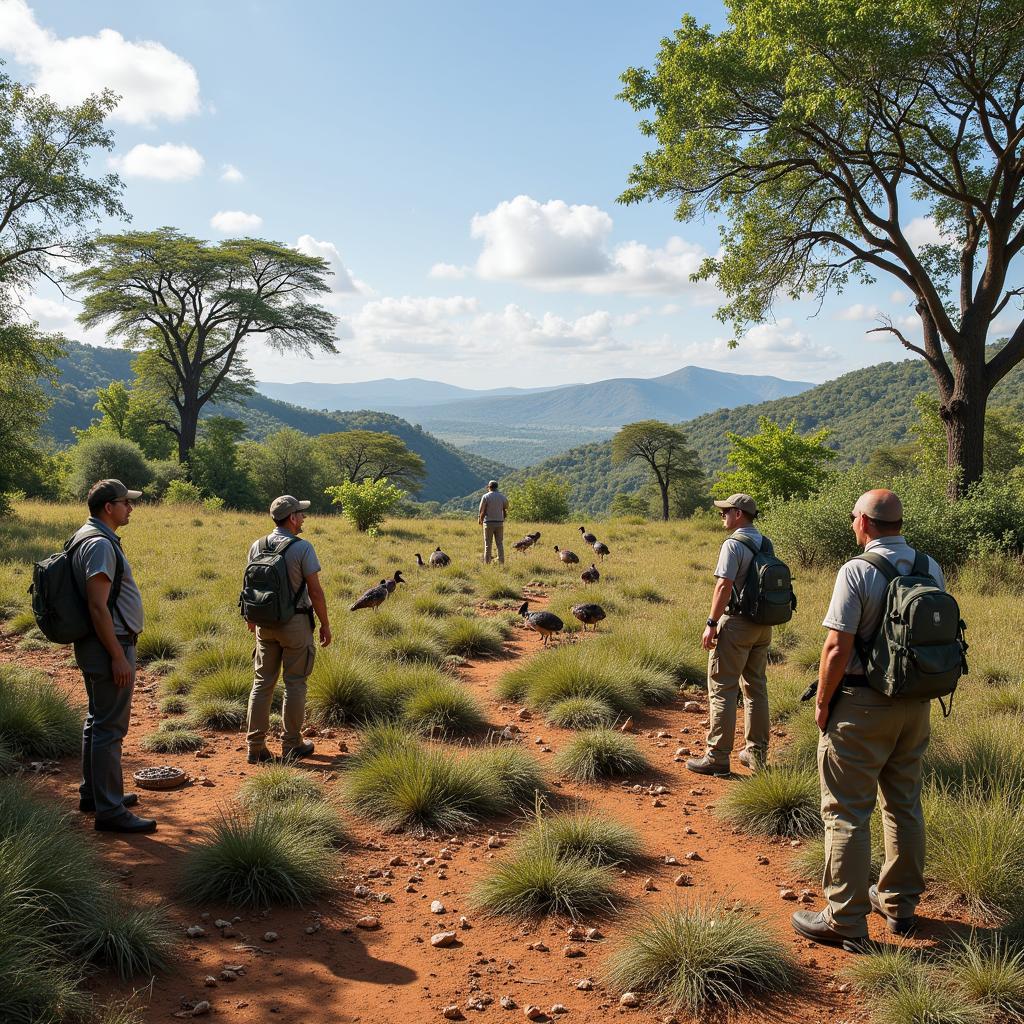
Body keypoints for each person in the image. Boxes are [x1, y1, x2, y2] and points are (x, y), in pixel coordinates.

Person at [792, 489, 944, 950]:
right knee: (903, 804)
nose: (852, 524)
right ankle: (899, 905)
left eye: (853, 517)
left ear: (864, 522)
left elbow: (837, 646)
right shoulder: (930, 567)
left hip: (860, 706)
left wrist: (822, 702)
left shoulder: (856, 570)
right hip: (916, 705)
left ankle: (845, 920)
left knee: (846, 812)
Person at [72, 479, 155, 833]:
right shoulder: (101, 544)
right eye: (125, 502)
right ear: (109, 507)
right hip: (111, 644)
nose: (130, 508)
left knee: (97, 719)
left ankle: (96, 794)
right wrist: (117, 656)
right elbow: (97, 605)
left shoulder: (83, 535)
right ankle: (110, 811)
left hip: (98, 643)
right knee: (110, 727)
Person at [687, 493, 772, 776]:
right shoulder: (765, 542)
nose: (722, 515)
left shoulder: (733, 544)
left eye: (725, 511)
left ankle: (717, 757)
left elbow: (724, 585)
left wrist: (711, 623)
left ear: (738, 514)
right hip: (762, 625)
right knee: (756, 689)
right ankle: (756, 755)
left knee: (723, 689)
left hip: (736, 624)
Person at [245, 495, 332, 764]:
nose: (304, 517)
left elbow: (250, 586)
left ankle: (255, 747)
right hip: (294, 624)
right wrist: (325, 624)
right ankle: (292, 744)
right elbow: (315, 592)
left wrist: (251, 617)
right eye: (301, 514)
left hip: (264, 624)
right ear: (292, 518)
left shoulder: (256, 545)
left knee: (262, 683)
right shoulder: (303, 548)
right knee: (295, 683)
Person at [478, 479, 508, 565]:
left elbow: (481, 510)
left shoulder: (485, 496)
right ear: (497, 487)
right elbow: (506, 506)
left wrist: (480, 520)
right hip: (499, 523)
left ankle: (487, 563)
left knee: (488, 544)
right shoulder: (502, 497)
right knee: (499, 544)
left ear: (489, 487)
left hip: (488, 523)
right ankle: (501, 563)